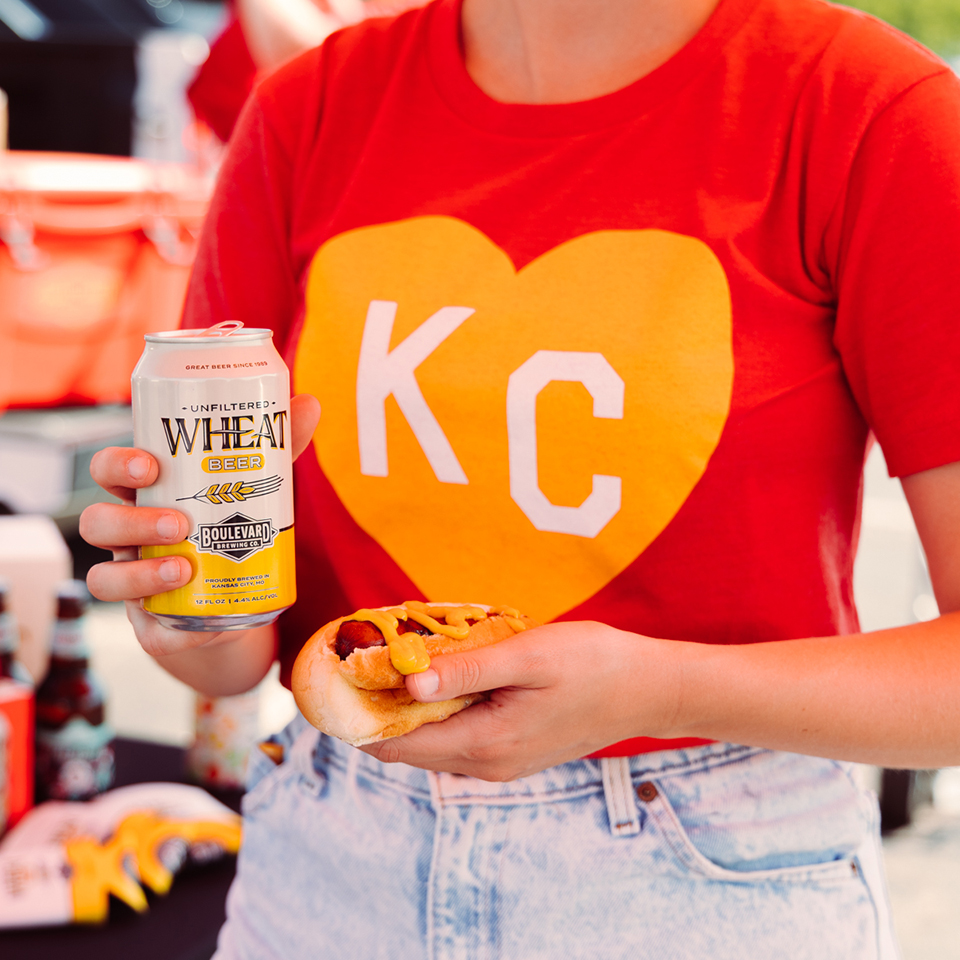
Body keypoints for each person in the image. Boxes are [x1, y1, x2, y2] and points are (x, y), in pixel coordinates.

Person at [82, 0, 960, 955]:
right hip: (327, 860)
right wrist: (174, 600)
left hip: (710, 879)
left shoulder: (870, 109)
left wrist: (665, 689)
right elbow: (235, 656)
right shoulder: (310, 108)